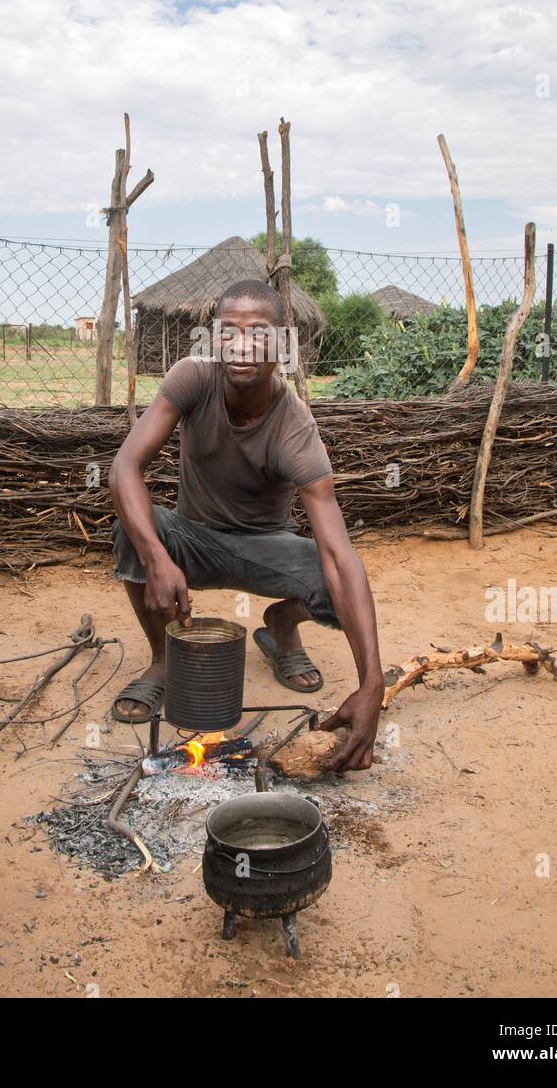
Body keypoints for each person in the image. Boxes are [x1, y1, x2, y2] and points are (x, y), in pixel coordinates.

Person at [107, 278, 384, 772]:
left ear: (282, 341)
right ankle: (163, 660)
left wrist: (372, 686)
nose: (241, 346)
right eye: (228, 331)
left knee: (336, 577)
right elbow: (124, 468)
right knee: (137, 525)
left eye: (259, 332)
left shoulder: (295, 427)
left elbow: (341, 555)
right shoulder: (192, 378)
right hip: (192, 539)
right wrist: (156, 558)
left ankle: (281, 626)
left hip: (266, 550)